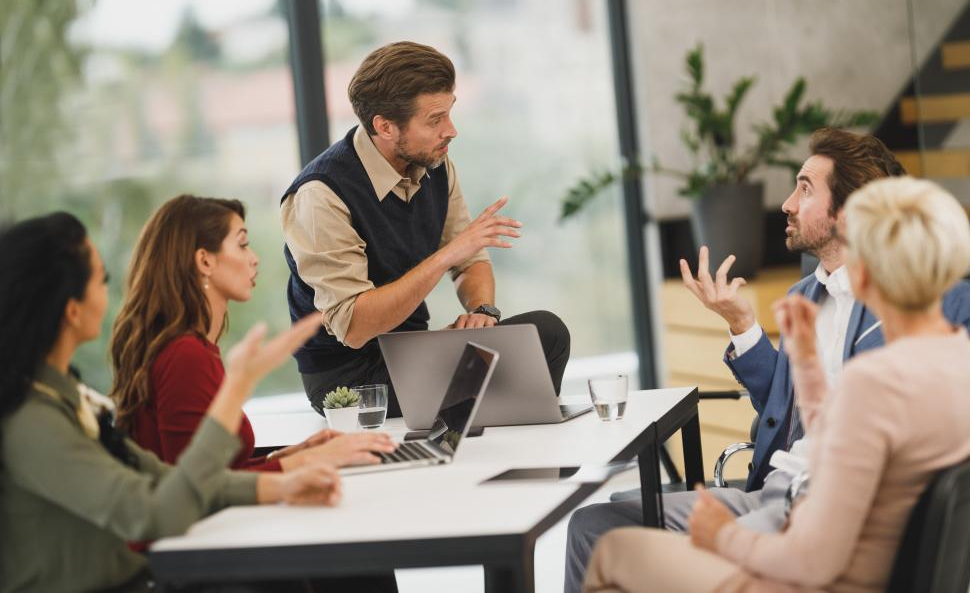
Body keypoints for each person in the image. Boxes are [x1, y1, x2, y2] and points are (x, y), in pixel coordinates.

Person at [564, 128, 970, 592]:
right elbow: (812, 421)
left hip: (815, 527)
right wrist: (749, 331)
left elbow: (863, 421)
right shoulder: (815, 300)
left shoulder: (936, 322)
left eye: (804, 188)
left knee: (619, 552)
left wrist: (726, 537)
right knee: (598, 523)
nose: (787, 204)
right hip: (786, 491)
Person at [0, 212, 337, 593]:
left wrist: (284, 486)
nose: (108, 293)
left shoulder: (66, 397)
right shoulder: (34, 424)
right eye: (101, 280)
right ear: (71, 309)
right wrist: (239, 385)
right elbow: (159, 513)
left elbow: (168, 479)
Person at [281, 41, 570, 416]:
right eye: (434, 120)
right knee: (503, 384)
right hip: (350, 379)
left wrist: (482, 311)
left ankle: (494, 445)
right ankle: (484, 443)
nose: (451, 131)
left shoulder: (434, 165)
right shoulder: (321, 195)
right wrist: (447, 255)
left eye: (449, 113)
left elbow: (471, 260)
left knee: (545, 334)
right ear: (384, 126)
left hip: (414, 354)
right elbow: (354, 327)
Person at [110, 195, 397, 473]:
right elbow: (199, 488)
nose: (254, 258)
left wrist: (296, 454)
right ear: (205, 261)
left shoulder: (192, 349)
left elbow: (219, 474)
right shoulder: (184, 356)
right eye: (243, 245)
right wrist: (307, 461)